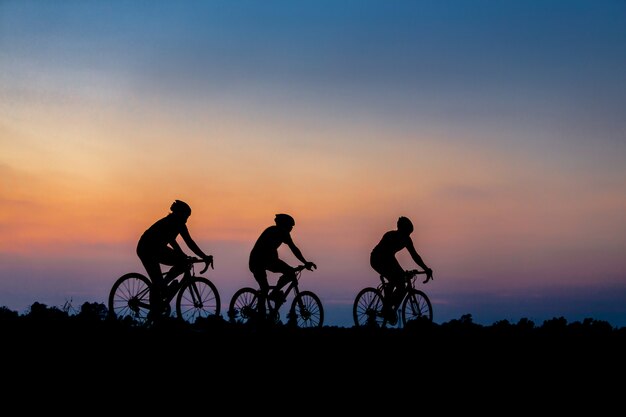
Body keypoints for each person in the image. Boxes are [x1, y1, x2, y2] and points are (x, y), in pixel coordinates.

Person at [136, 200, 213, 319]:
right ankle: (162, 292)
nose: (187, 219)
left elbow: (188, 242)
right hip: (148, 248)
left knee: (178, 265)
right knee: (163, 277)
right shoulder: (171, 222)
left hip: (154, 248)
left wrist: (201, 256)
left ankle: (162, 291)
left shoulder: (179, 223)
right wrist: (192, 256)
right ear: (180, 214)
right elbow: (175, 242)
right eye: (186, 216)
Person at [249, 213, 316, 319]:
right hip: (257, 261)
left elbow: (294, 248)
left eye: (292, 227)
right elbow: (293, 249)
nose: (291, 229)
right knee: (265, 288)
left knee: (289, 272)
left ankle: (274, 294)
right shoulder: (274, 231)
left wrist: (305, 262)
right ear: (283, 225)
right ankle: (260, 315)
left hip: (269, 260)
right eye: (290, 227)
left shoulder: (283, 233)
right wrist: (305, 262)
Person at [370, 216, 433, 324]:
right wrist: (400, 274)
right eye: (406, 233)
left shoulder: (407, 240)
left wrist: (426, 269)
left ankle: (388, 307)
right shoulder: (390, 236)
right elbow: (387, 258)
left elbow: (415, 255)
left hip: (389, 259)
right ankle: (387, 308)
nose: (408, 236)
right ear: (400, 229)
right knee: (396, 280)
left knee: (400, 282)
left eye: (409, 234)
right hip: (377, 259)